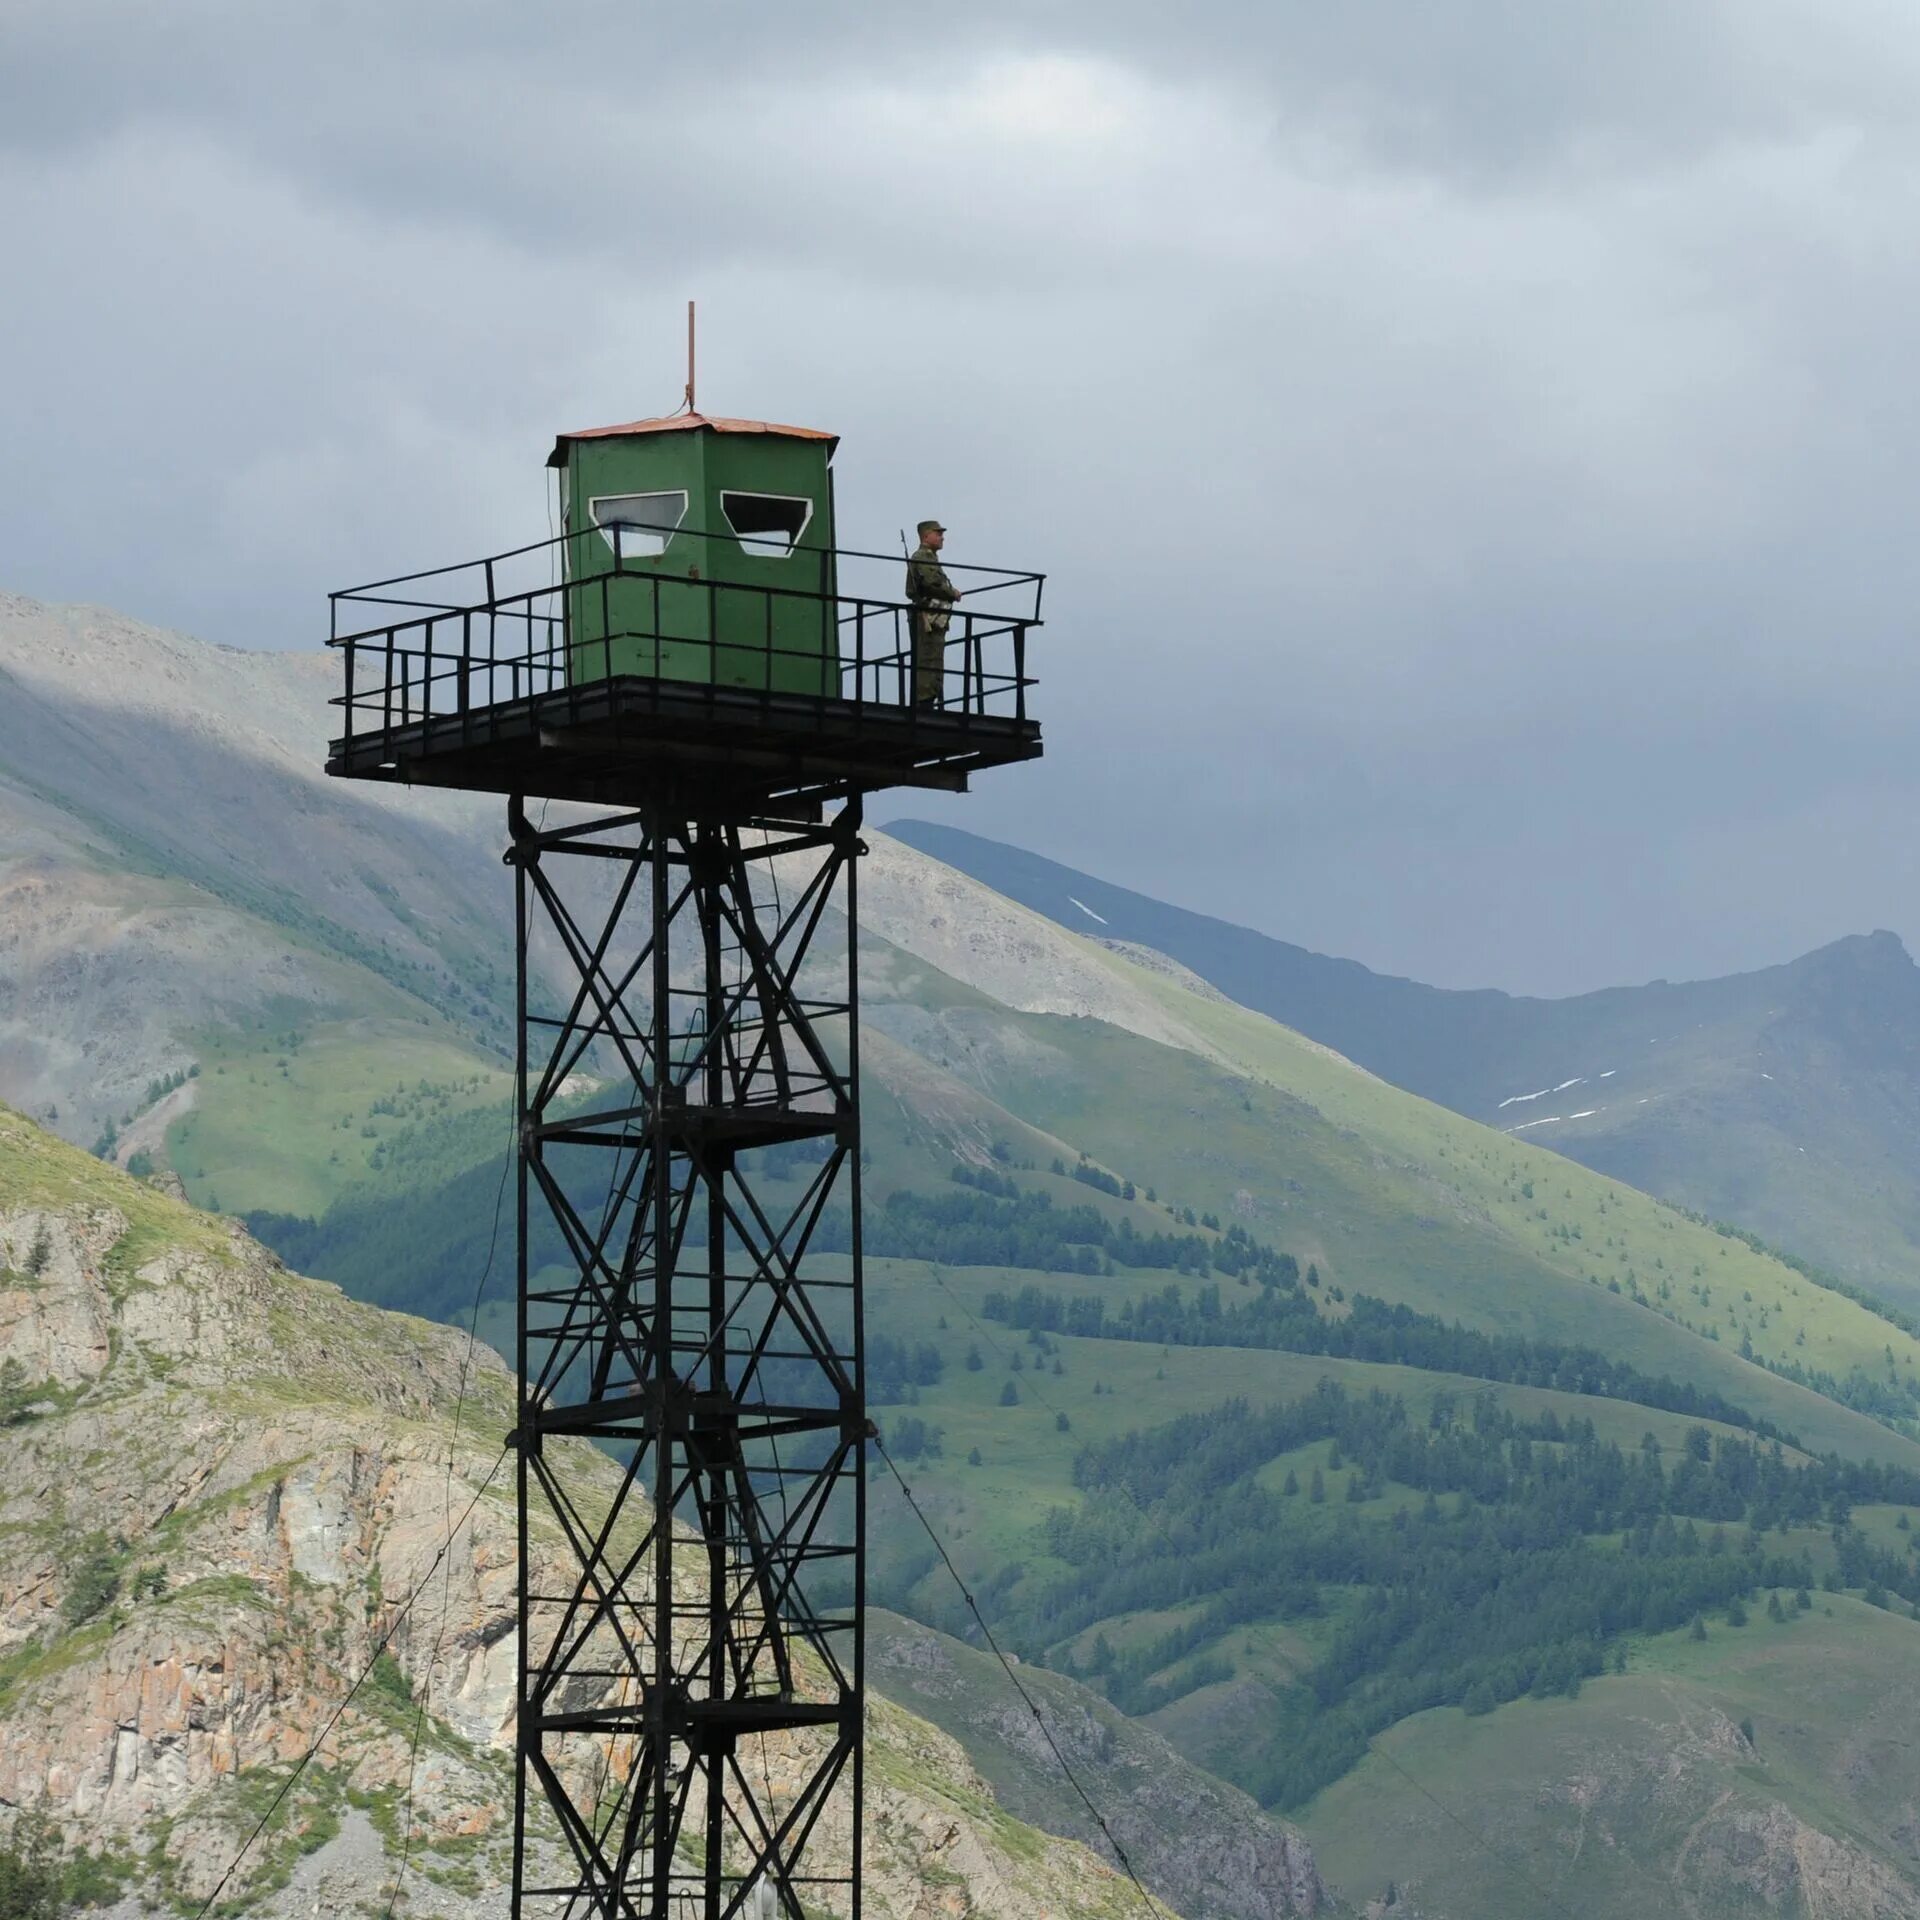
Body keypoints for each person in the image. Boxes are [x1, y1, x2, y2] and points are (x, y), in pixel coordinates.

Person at [905, 519, 961, 706]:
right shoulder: (922, 556)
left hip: (935, 619)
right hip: (927, 618)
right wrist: (951, 593)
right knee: (928, 659)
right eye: (938, 534)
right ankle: (924, 702)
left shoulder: (930, 558)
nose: (942, 538)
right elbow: (931, 583)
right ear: (926, 536)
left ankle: (928, 698)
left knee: (934, 660)